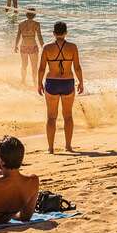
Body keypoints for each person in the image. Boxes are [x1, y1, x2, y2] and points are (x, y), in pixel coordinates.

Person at [37, 21, 84, 153]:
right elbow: (77, 67)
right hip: (67, 82)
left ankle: (50, 148)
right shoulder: (72, 47)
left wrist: (39, 83)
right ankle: (68, 146)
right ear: (66, 33)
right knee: (68, 116)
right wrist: (81, 82)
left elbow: (41, 68)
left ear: (53, 33)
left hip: (52, 83)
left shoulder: (47, 48)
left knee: (51, 117)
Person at [14, 8, 44, 86]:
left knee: (24, 64)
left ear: (26, 15)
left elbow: (18, 36)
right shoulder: (36, 24)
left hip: (23, 46)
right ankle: (34, 82)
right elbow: (39, 36)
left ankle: (23, 80)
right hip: (33, 46)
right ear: (34, 15)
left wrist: (16, 45)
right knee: (34, 66)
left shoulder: (21, 24)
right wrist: (43, 46)